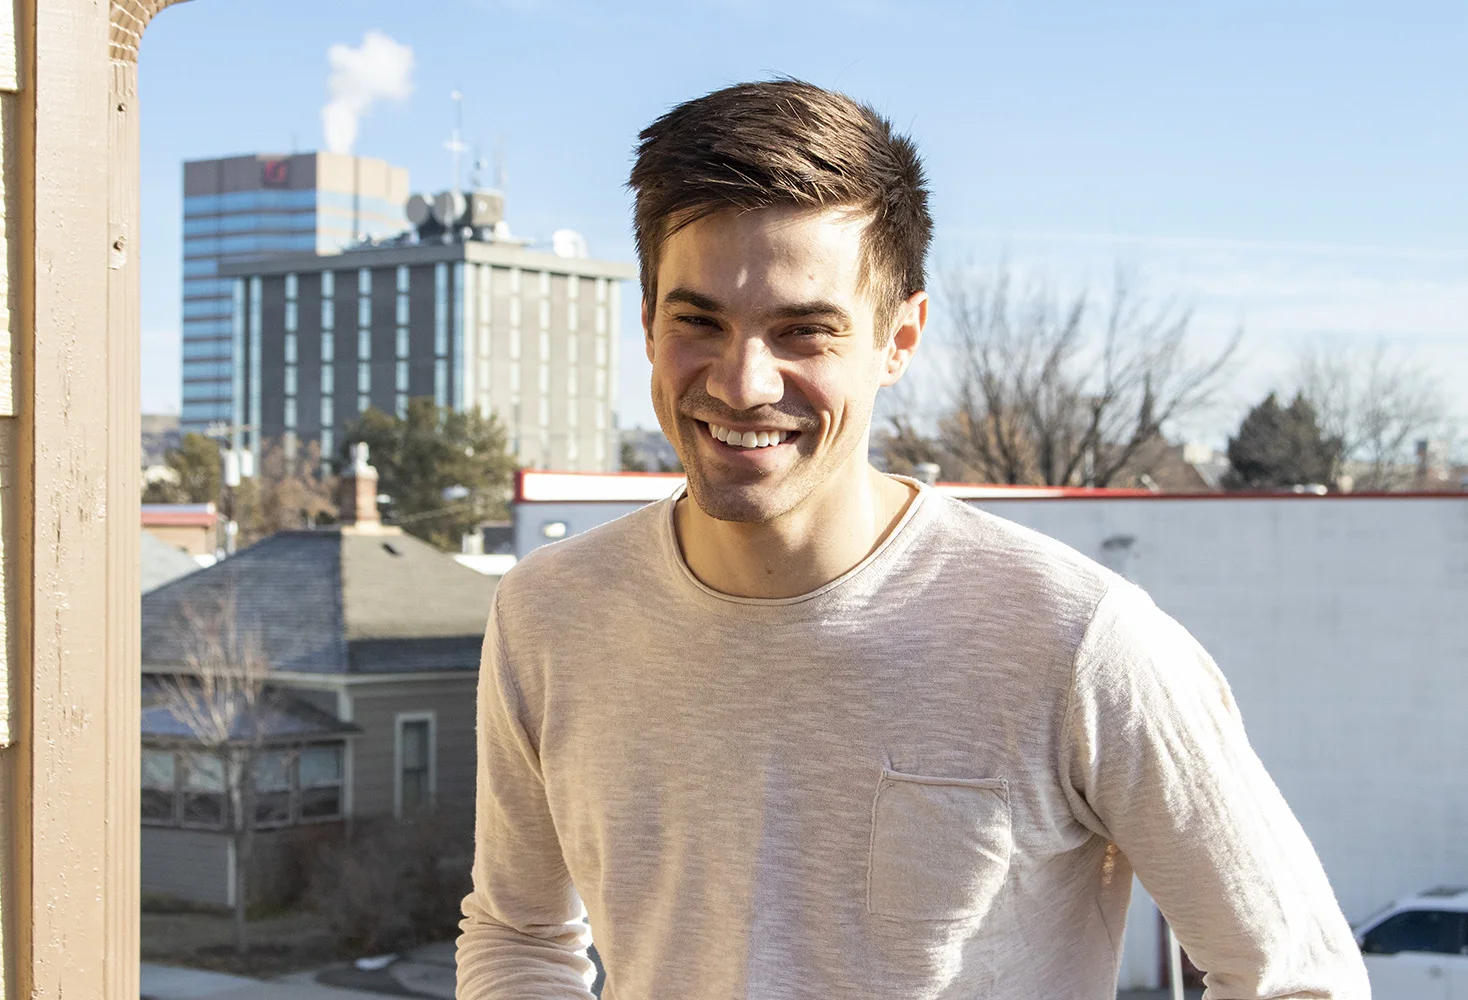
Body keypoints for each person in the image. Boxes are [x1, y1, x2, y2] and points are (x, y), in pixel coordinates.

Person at [456, 79, 1367, 999]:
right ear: (647, 320)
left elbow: (1296, 979)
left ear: (899, 338)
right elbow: (518, 933)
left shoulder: (1076, 642)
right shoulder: (548, 615)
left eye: (803, 331)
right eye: (699, 321)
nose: (741, 383)